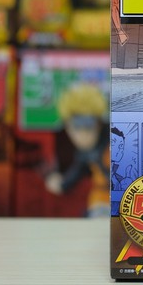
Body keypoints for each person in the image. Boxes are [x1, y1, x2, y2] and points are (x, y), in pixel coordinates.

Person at [45, 82, 111, 217]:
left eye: (88, 127)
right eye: (76, 128)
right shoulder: (85, 151)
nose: (82, 136)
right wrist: (62, 184)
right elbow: (77, 171)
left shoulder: (113, 145)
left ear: (98, 124)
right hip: (100, 203)